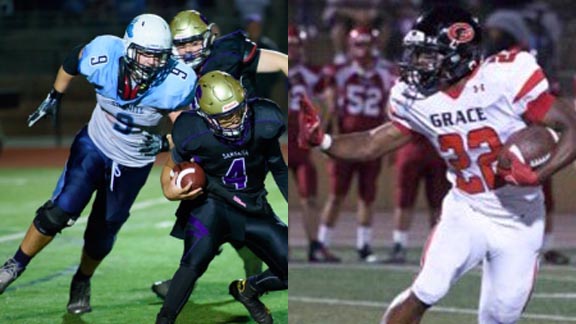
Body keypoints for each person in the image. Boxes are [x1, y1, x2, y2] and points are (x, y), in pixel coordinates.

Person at [298, 5, 576, 323]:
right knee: (427, 289)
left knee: (498, 317)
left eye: (429, 54)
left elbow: (571, 128)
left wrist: (539, 174)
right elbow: (374, 141)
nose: (419, 64)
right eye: (417, 54)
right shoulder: (416, 98)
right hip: (467, 209)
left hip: (520, 219)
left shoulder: (507, 76)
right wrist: (325, 142)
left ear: (461, 52)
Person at [0, 14, 197, 315]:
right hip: (94, 144)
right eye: (143, 53)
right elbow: (72, 59)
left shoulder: (176, 82)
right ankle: (15, 265)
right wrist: (55, 95)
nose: (149, 62)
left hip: (133, 162)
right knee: (59, 211)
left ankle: (82, 279)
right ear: (128, 47)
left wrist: (164, 143)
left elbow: (188, 129)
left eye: (157, 56)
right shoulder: (103, 53)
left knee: (101, 234)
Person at [150, 8, 288, 299]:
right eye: (181, 44)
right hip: (212, 152)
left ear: (209, 35)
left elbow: (282, 62)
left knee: (244, 216)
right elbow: (181, 123)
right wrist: (173, 143)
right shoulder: (172, 75)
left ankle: (250, 280)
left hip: (247, 145)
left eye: (193, 42)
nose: (188, 50)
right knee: (205, 223)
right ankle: (190, 278)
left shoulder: (227, 52)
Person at [155, 71, 287, 324]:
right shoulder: (191, 129)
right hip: (211, 203)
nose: (235, 120)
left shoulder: (264, 119)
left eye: (238, 111)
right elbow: (171, 166)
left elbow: (278, 167)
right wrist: (169, 190)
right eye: (225, 117)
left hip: (253, 205)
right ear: (205, 116)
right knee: (193, 263)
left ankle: (247, 290)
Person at [484, 9, 570, 265]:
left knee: (542, 196)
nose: (492, 36)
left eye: (496, 32)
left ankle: (544, 247)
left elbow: (546, 102)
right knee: (489, 197)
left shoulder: (522, 64)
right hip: (496, 142)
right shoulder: (487, 67)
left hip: (529, 140)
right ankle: (489, 245)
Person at [317, 26, 395, 263]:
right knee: (336, 194)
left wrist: (389, 142)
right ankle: (322, 243)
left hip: (373, 141)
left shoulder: (385, 74)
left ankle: (364, 245)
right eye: (358, 45)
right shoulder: (339, 72)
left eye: (366, 44)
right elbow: (330, 109)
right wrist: (326, 140)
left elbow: (389, 111)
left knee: (367, 195)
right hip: (346, 142)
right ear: (350, 47)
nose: (363, 50)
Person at [288, 24, 339, 262]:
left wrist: (323, 126)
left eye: (296, 45)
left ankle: (314, 246)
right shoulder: (268, 68)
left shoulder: (311, 72)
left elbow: (330, 92)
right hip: (272, 140)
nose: (293, 50)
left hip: (299, 142)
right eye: (289, 45)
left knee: (309, 196)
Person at [386, 134, 449, 263]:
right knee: (436, 204)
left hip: (411, 150)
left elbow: (394, 128)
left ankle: (399, 245)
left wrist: (390, 151)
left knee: (405, 202)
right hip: (436, 152)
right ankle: (437, 247)